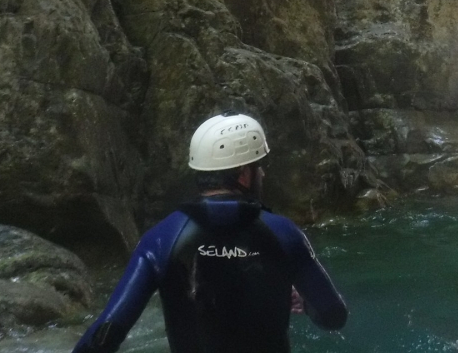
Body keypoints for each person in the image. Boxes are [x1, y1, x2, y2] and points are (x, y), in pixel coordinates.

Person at [73, 112, 348, 353]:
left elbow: (106, 333)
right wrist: (307, 305)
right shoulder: (285, 233)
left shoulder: (161, 238)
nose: (262, 174)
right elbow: (334, 315)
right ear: (243, 174)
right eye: (258, 166)